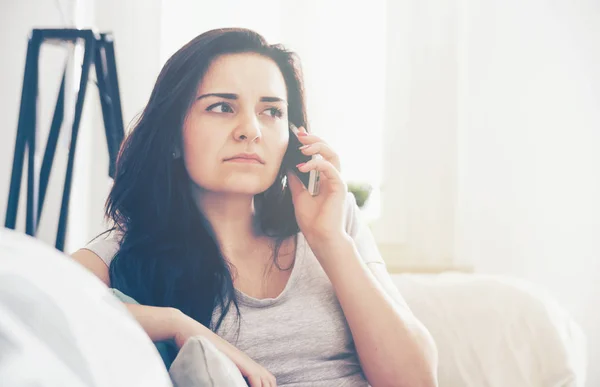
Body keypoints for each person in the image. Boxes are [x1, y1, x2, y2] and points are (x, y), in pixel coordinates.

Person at [72, 28, 438, 387]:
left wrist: (329, 240)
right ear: (172, 136)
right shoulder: (130, 249)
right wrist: (175, 323)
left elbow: (416, 381)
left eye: (272, 112)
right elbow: (28, 299)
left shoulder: (333, 220)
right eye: (222, 107)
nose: (251, 129)